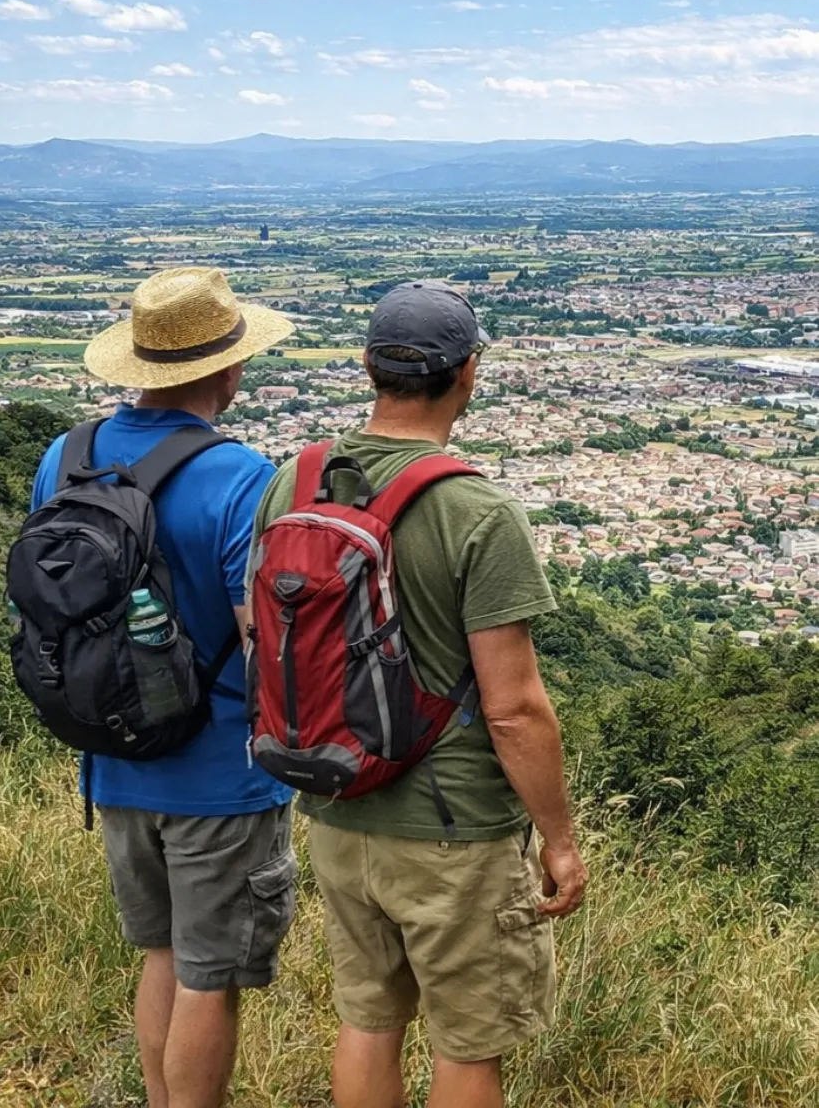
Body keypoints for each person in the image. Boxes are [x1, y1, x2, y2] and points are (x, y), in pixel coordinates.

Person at [250, 281, 588, 1108]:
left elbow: (263, 639)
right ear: (469, 373)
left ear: (368, 366)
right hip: (453, 829)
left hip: (337, 804)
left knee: (369, 1024)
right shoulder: (475, 509)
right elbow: (513, 708)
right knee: (469, 1044)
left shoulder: (294, 482)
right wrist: (560, 838)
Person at [31, 268, 296, 1108]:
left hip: (111, 752)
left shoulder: (65, 456)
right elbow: (261, 632)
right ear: (230, 370)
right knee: (209, 977)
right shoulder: (241, 477)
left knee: (162, 955)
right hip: (216, 768)